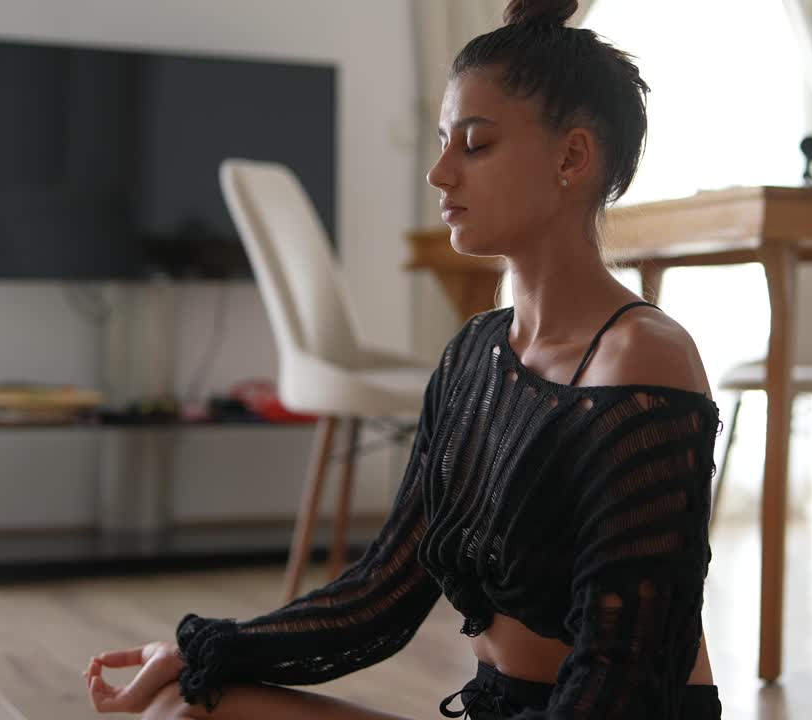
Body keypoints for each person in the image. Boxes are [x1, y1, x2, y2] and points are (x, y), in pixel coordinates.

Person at [83, 1, 723, 717]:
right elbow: (379, 597)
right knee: (185, 702)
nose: (439, 173)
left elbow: (625, 668)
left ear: (572, 157)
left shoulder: (642, 362)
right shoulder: (474, 356)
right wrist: (199, 652)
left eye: (475, 145)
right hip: (494, 706)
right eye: (443, 142)